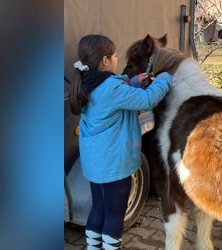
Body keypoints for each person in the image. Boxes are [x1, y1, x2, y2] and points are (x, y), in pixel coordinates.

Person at [69, 34, 172, 250]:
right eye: (115, 56)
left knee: (98, 208)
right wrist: (164, 78)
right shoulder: (113, 89)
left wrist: (133, 82)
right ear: (105, 61)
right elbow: (147, 99)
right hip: (114, 166)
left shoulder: (87, 84)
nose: (118, 60)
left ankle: (93, 247)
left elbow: (113, 95)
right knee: (115, 215)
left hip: (95, 164)